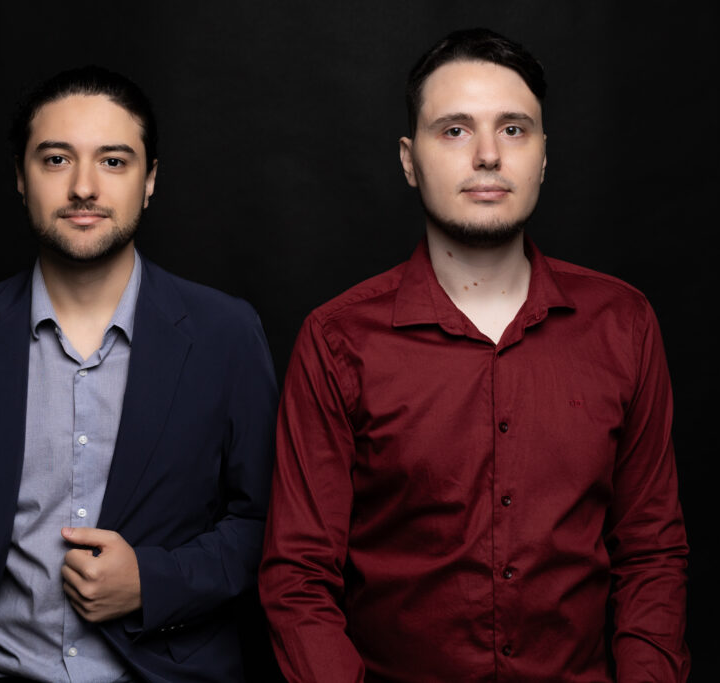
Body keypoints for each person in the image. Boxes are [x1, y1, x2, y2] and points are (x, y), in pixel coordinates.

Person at [259, 28, 689, 682]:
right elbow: (299, 577)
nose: (488, 155)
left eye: (513, 130)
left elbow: (651, 551)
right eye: (455, 130)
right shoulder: (337, 339)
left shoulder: (622, 323)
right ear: (409, 161)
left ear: (543, 156)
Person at [0, 66, 278, 683]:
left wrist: (154, 580)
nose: (83, 187)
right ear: (21, 178)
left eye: (114, 161)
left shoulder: (226, 334)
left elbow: (269, 527)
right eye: (55, 160)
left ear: (150, 180)